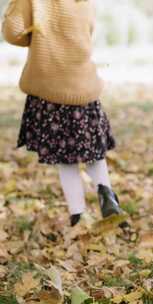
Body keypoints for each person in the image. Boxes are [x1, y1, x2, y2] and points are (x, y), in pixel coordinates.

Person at [2, 0, 126, 227]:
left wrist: (36, 38)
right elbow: (88, 31)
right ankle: (106, 193)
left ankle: (78, 215)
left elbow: (13, 32)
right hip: (83, 86)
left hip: (51, 89)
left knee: (66, 159)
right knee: (93, 150)